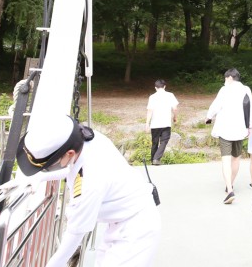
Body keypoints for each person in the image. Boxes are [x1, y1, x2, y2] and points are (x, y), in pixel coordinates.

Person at [15, 113, 158, 267]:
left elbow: (75, 233)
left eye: (48, 166)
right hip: (124, 219)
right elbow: (75, 169)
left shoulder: (90, 183)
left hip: (135, 230)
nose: (50, 169)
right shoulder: (87, 139)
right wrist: (41, 178)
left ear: (69, 153)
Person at [205, 68, 252, 204]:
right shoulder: (246, 89)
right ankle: (229, 184)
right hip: (240, 129)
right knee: (236, 159)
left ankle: (230, 189)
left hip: (225, 129)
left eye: (225, 79)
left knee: (226, 159)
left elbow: (216, 106)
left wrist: (209, 117)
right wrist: (249, 127)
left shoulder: (224, 90)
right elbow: (249, 108)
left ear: (230, 78)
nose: (225, 81)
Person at [145, 78, 179, 165]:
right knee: (164, 141)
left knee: (155, 143)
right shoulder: (170, 95)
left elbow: (149, 111)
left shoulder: (152, 97)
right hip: (166, 123)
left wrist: (147, 124)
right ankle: (156, 159)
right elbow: (175, 108)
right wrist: (175, 117)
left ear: (155, 87)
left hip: (155, 124)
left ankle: (153, 160)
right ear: (164, 87)